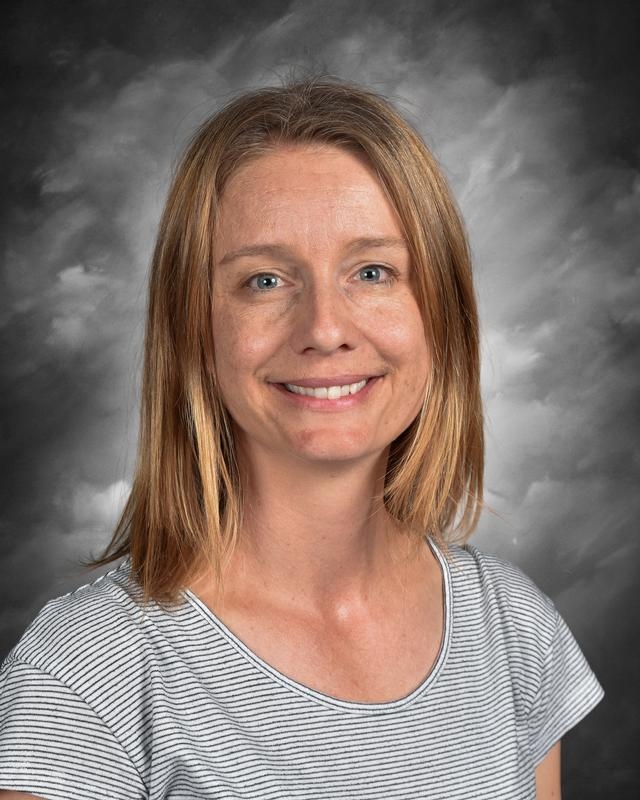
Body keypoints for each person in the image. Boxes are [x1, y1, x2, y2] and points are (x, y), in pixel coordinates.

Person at [0, 78, 602, 799]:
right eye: (265, 280)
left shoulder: (515, 630)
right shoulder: (87, 673)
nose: (324, 328)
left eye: (372, 272)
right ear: (194, 330)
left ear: (442, 317)